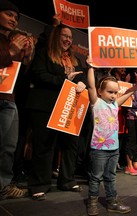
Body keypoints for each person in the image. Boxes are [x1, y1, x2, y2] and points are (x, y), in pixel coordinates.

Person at [25, 24, 87, 200]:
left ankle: (66, 180)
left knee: (70, 144)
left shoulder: (75, 60)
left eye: (70, 37)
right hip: (45, 106)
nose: (68, 39)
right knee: (44, 145)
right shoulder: (44, 53)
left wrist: (81, 84)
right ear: (55, 36)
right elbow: (37, 74)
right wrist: (64, 80)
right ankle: (39, 184)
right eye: (64, 36)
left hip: (68, 108)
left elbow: (80, 76)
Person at [85, 57, 137, 215]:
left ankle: (112, 201)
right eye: (110, 92)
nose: (113, 95)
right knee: (96, 177)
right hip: (99, 149)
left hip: (113, 148)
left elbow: (129, 92)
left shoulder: (115, 104)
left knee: (111, 176)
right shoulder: (96, 103)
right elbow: (90, 86)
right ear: (100, 91)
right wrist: (90, 68)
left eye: (115, 92)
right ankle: (92, 201)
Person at [0, 0, 35, 200]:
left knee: (8, 147)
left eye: (16, 17)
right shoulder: (9, 45)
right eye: (8, 14)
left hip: (9, 99)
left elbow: (17, 78)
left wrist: (26, 58)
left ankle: (3, 186)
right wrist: (12, 51)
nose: (13, 19)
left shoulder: (11, 42)